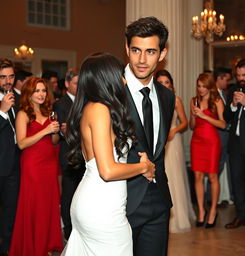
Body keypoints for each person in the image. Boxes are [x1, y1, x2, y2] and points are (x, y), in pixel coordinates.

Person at [61, 53, 155, 256]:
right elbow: (108, 170)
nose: (123, 79)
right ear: (106, 77)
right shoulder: (100, 109)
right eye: (120, 74)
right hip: (101, 208)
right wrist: (144, 167)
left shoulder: (93, 107)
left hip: (95, 203)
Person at [124, 17, 175, 256]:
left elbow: (158, 149)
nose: (142, 60)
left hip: (159, 201)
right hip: (121, 203)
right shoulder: (111, 92)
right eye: (136, 50)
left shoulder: (167, 96)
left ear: (162, 53)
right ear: (127, 49)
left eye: (150, 51)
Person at [9, 77, 63, 256]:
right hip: (32, 165)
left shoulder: (49, 112)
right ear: (29, 94)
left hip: (49, 164)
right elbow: (22, 144)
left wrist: (56, 132)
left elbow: (54, 142)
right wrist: (45, 131)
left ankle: (46, 244)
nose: (41, 94)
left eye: (43, 90)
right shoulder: (23, 113)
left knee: (48, 205)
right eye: (37, 91)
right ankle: (33, 247)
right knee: (35, 206)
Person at [155, 69, 195, 233]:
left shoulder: (175, 100)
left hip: (172, 141)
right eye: (161, 82)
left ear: (171, 84)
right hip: (158, 142)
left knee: (174, 178)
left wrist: (174, 130)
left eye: (167, 82)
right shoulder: (152, 99)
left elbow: (185, 122)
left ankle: (178, 218)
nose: (164, 85)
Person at [224, 59, 245, 235]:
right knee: (237, 183)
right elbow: (226, 116)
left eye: (244, 75)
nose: (241, 78)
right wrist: (234, 106)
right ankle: (241, 215)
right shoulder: (234, 90)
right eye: (238, 75)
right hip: (235, 145)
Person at [190, 72, 226, 229]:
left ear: (210, 86)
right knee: (197, 176)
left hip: (211, 142)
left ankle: (213, 211)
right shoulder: (194, 101)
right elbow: (192, 126)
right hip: (197, 141)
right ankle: (201, 212)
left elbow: (223, 125)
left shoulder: (216, 100)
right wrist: (193, 115)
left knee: (212, 177)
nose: (201, 89)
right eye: (199, 86)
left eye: (204, 86)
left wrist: (204, 117)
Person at [53, 68, 84, 241]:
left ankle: (80, 230)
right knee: (69, 195)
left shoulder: (85, 101)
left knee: (82, 196)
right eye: (75, 83)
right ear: (66, 84)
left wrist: (72, 128)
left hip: (85, 157)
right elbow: (63, 132)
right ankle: (69, 231)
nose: (79, 87)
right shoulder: (60, 104)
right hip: (68, 156)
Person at [0, 58, 20, 256]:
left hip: (15, 164)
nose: (8, 81)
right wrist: (1, 111)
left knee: (10, 209)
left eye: (11, 76)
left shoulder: (17, 97)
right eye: (3, 77)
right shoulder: (4, 102)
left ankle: (6, 248)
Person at [213, 67, 233, 206]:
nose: (228, 82)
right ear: (219, 78)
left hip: (226, 137)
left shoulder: (224, 95)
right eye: (226, 79)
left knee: (222, 167)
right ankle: (212, 198)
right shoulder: (213, 96)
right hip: (217, 137)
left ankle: (222, 196)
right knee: (215, 169)